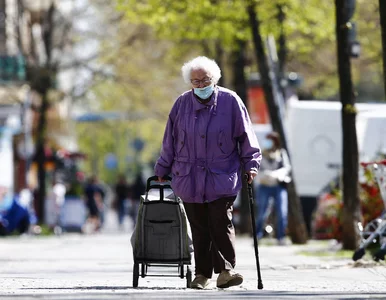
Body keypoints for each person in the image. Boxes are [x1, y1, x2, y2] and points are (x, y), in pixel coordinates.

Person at [154, 56, 261, 289]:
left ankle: (226, 271)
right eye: (196, 82)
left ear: (215, 79)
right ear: (189, 82)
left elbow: (246, 136)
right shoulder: (181, 104)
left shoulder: (230, 101)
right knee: (199, 227)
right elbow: (169, 141)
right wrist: (162, 168)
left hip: (221, 175)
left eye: (205, 80)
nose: (201, 86)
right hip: (189, 177)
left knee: (220, 222)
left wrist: (251, 164)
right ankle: (201, 274)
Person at [255, 131, 291, 245]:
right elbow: (257, 169)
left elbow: (286, 168)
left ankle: (281, 237)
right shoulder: (261, 153)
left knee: (282, 212)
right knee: (262, 212)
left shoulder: (281, 153)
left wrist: (275, 174)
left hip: (278, 186)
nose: (267, 142)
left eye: (270, 140)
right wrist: (265, 174)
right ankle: (257, 236)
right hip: (264, 186)